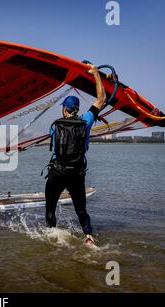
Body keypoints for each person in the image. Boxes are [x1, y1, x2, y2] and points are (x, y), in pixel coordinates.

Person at [45, 64, 106, 245]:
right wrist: (95, 73)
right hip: (76, 174)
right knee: (81, 210)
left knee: (50, 207)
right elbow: (101, 98)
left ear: (64, 109)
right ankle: (88, 236)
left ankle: (52, 236)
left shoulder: (54, 125)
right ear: (77, 109)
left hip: (57, 173)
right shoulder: (85, 121)